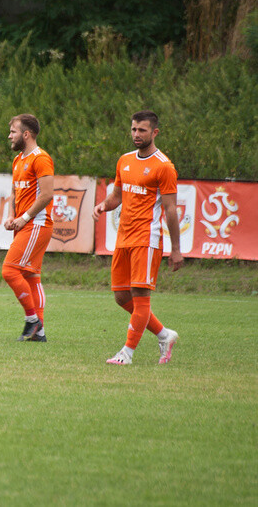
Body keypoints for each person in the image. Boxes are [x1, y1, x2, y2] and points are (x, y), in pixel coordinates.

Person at [93, 110, 183, 365]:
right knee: (122, 297)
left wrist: (176, 249)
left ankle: (127, 353)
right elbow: (117, 196)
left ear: (154, 132)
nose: (136, 134)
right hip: (123, 238)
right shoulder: (124, 160)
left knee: (140, 296)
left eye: (142, 130)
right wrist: (103, 206)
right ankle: (165, 335)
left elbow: (171, 210)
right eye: (133, 129)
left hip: (147, 237)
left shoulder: (164, 166)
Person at [2, 114, 54, 342]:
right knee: (31, 276)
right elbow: (15, 193)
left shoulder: (40, 158)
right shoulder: (17, 160)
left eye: (13, 131)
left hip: (37, 223)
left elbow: (47, 195)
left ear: (26, 134)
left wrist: (24, 218)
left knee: (10, 270)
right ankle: (39, 333)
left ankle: (32, 320)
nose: (9, 136)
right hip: (25, 224)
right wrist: (11, 217)